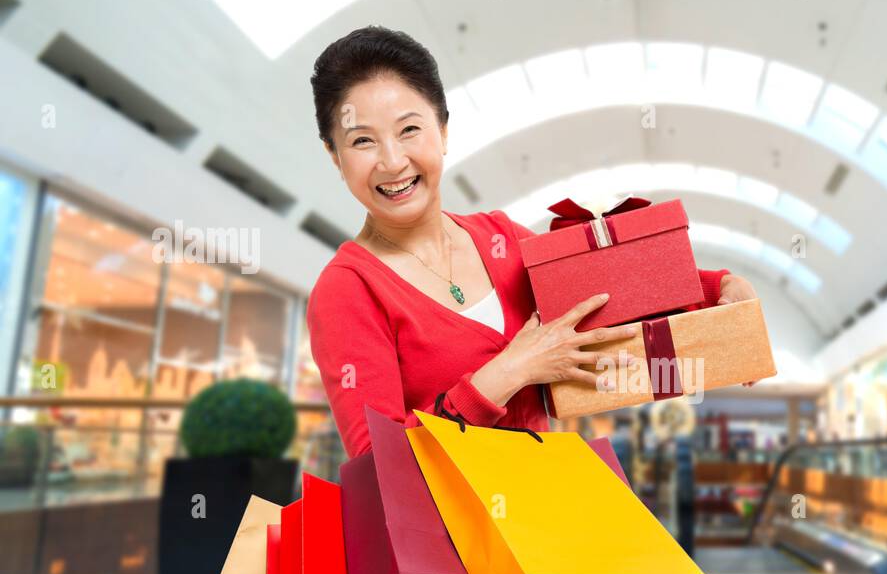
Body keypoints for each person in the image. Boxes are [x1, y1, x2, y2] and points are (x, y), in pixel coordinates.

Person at [305, 25, 759, 460]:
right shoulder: (348, 290)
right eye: (363, 141)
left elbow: (611, 292)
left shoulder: (499, 237)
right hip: (446, 535)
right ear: (333, 155)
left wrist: (722, 287)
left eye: (409, 130)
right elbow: (378, 467)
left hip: (538, 514)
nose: (392, 161)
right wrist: (510, 371)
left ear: (442, 131)